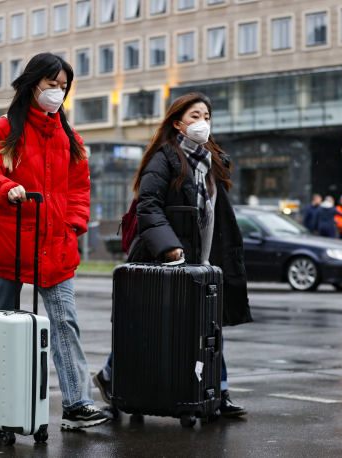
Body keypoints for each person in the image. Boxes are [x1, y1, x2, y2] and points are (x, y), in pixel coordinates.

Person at [0, 53, 111, 431]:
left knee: (63, 323)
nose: (57, 92)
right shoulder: (4, 129)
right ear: (32, 84)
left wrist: (73, 226)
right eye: (51, 84)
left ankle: (76, 404)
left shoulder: (71, 138)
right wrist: (6, 188)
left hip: (54, 245)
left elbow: (79, 190)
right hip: (9, 239)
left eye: (63, 87)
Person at [92, 93, 252, 417]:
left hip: (202, 262)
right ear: (177, 122)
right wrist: (169, 246)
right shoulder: (163, 158)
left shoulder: (212, 162)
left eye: (206, 116)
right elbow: (148, 205)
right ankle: (111, 375)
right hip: (161, 258)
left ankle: (218, 393)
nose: (202, 123)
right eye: (195, 116)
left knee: (209, 325)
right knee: (145, 326)